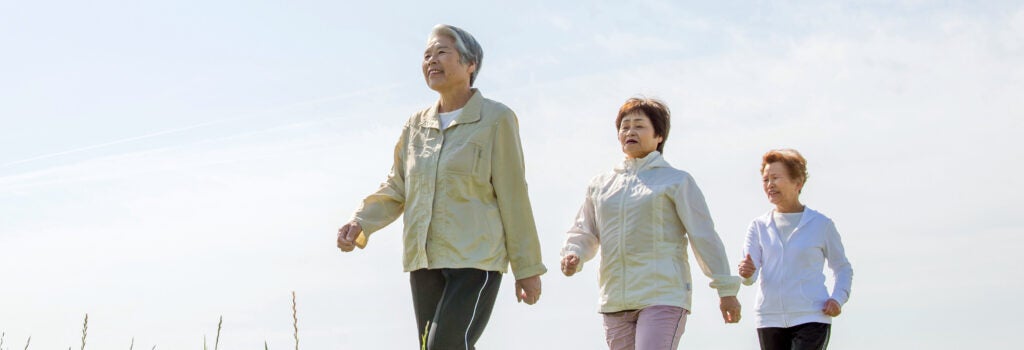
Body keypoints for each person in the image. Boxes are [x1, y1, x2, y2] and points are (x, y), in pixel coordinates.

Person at [335, 24, 546, 350]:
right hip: (424, 260)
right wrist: (360, 222)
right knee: (431, 347)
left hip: (476, 260)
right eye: (426, 55)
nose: (431, 60)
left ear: (470, 64)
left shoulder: (496, 119)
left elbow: (513, 196)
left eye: (442, 52)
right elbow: (396, 187)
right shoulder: (415, 125)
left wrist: (527, 268)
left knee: (443, 347)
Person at [560, 97, 742, 350]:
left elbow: (704, 236)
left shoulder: (676, 181)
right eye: (624, 126)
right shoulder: (601, 185)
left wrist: (726, 289)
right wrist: (574, 253)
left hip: (663, 294)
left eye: (639, 125)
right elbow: (585, 230)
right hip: (615, 299)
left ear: (659, 136)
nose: (630, 131)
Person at [737, 149, 853, 350]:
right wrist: (746, 272)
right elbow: (750, 277)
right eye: (765, 180)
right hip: (769, 318)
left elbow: (842, 268)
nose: (769, 184)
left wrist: (838, 298)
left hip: (812, 315)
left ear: (797, 183)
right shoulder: (758, 226)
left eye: (776, 178)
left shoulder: (821, 224)